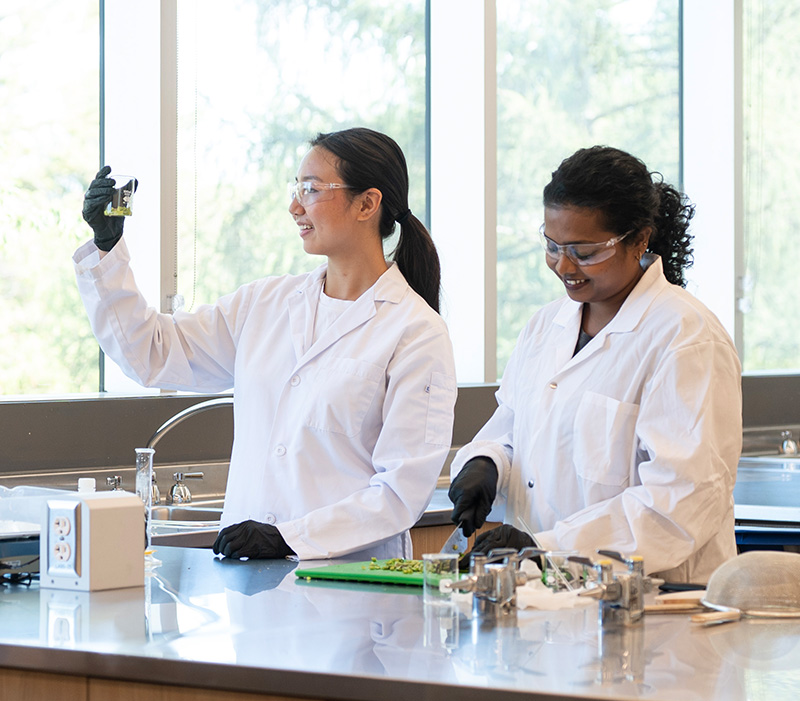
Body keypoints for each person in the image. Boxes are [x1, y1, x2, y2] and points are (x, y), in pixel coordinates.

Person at [75, 127, 457, 561]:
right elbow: (154, 353)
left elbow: (400, 492)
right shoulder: (266, 304)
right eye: (296, 188)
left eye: (311, 190)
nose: (294, 206)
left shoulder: (415, 331)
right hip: (251, 589)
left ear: (367, 203)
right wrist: (108, 248)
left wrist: (290, 537)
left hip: (351, 596)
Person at [449, 145, 742, 583]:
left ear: (639, 239)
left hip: (656, 602)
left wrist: (549, 548)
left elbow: (680, 501)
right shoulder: (545, 325)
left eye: (584, 252)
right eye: (552, 246)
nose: (564, 266)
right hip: (551, 598)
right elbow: (513, 429)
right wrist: (485, 462)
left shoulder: (685, 337)